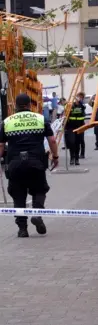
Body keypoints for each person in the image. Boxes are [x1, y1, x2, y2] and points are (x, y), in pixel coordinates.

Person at [0, 94, 59, 237]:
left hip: (14, 164)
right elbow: (51, 140)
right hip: (36, 162)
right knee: (39, 190)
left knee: (18, 195)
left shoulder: (7, 122)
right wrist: (55, 156)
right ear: (29, 104)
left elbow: (1, 145)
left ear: (16, 105)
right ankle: (37, 215)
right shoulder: (40, 119)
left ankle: (22, 229)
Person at [65, 92, 86, 165]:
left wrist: (79, 103)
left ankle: (77, 159)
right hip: (71, 127)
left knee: (78, 143)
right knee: (72, 142)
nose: (80, 98)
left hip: (80, 127)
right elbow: (66, 111)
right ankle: (72, 158)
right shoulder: (70, 105)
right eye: (78, 97)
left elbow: (83, 110)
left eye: (81, 97)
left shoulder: (82, 106)